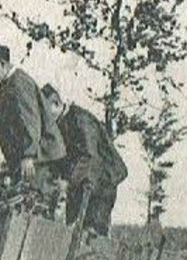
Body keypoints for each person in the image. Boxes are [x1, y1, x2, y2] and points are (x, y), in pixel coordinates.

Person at [42, 84, 128, 236]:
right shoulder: (59, 125)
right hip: (81, 185)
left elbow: (89, 156)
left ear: (56, 103)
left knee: (90, 236)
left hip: (102, 184)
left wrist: (67, 182)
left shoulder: (80, 120)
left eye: (45, 111)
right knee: (67, 234)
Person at [0, 43, 64, 183]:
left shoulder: (18, 83)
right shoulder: (6, 84)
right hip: (29, 159)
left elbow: (30, 120)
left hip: (41, 158)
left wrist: (28, 155)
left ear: (1, 63)